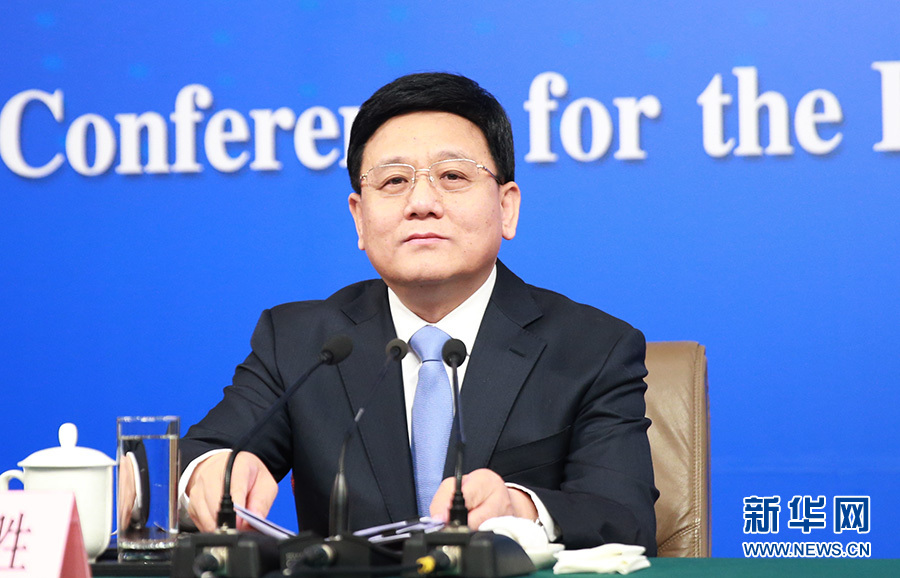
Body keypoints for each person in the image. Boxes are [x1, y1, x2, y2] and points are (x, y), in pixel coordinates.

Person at [180, 72, 658, 553]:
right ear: (359, 217)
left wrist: (519, 508)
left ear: (507, 207)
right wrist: (212, 473)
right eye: (394, 181)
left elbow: (624, 517)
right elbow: (201, 455)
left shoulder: (593, 348)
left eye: (453, 176)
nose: (421, 203)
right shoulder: (301, 342)